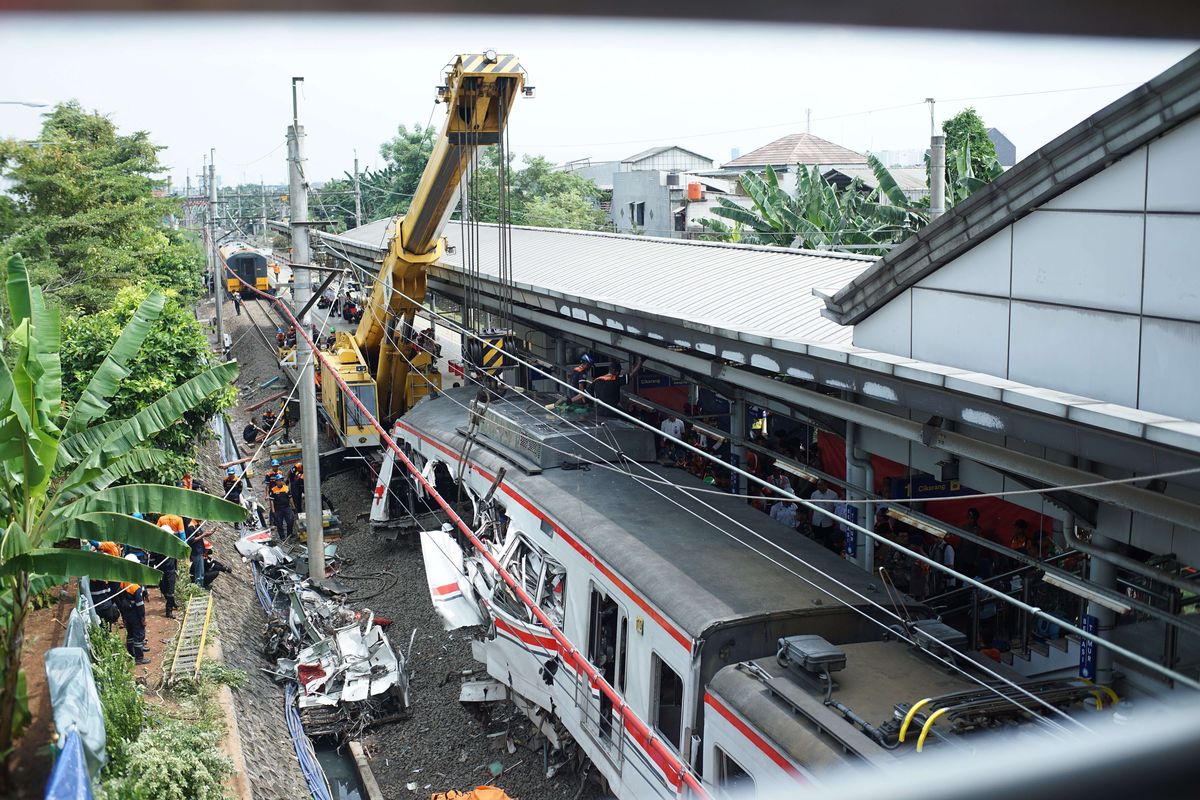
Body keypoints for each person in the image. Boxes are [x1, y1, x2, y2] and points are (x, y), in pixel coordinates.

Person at [118, 554, 150, 664]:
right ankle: (139, 658)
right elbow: (140, 605)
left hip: (127, 613)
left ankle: (131, 653)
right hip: (135, 614)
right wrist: (142, 618)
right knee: (138, 635)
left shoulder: (123, 582)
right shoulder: (135, 587)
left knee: (130, 634)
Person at [809, 479, 839, 550]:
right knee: (817, 539)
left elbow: (835, 509)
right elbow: (811, 508)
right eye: (818, 485)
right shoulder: (814, 494)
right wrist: (810, 519)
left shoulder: (834, 495)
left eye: (821, 485)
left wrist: (834, 521)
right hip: (816, 521)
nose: (819, 487)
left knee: (828, 541)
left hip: (828, 522)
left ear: (826, 485)